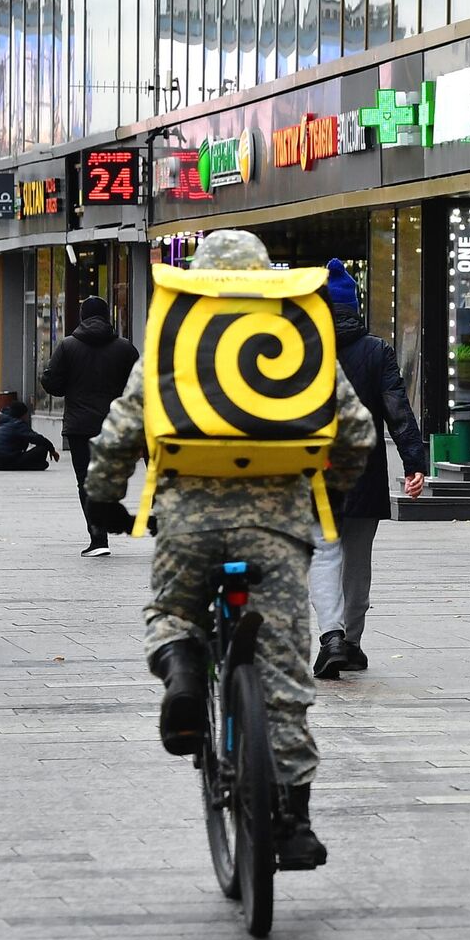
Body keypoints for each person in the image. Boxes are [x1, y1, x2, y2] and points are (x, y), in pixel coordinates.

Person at [83, 230, 377, 871]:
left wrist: (105, 496)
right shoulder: (299, 340)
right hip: (277, 528)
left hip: (187, 518)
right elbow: (356, 429)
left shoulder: (173, 338)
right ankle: (293, 821)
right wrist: (331, 485)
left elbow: (123, 425)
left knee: (173, 611)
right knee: (283, 676)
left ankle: (185, 675)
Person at [309, 258, 429, 680]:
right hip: (363, 470)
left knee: (323, 554)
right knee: (358, 560)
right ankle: (353, 642)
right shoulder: (377, 351)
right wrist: (415, 462)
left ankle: (332, 637)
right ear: (353, 307)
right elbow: (398, 409)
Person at [41, 295, 140, 557]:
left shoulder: (68, 346)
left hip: (80, 426)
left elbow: (53, 384)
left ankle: (98, 538)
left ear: (83, 316)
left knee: (85, 480)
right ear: (107, 316)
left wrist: (56, 380)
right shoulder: (125, 348)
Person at [0, 401, 59, 472]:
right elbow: (37, 438)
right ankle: (34, 465)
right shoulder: (17, 424)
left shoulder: (3, 421)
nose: (27, 418)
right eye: (26, 415)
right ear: (22, 415)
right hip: (8, 461)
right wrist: (51, 449)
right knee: (42, 449)